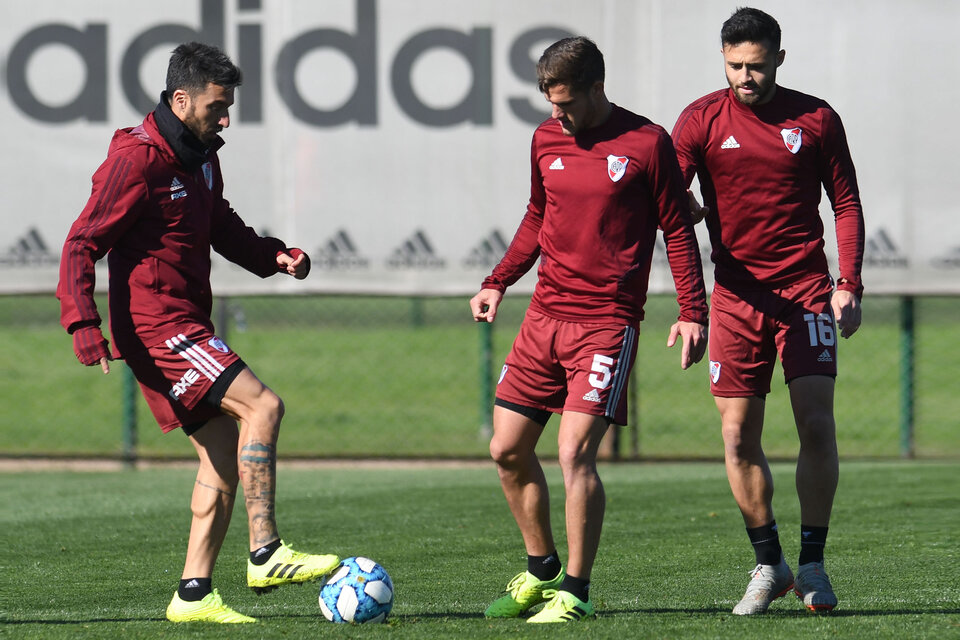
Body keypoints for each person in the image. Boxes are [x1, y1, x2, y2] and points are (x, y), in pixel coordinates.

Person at [57, 42, 340, 624]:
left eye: (229, 105)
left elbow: (221, 225)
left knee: (221, 457)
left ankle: (193, 594)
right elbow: (82, 241)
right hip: (156, 327)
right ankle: (265, 552)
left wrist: (272, 256)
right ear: (180, 99)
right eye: (217, 106)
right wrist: (83, 322)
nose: (226, 117)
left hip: (185, 322)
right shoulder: (135, 160)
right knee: (263, 406)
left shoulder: (203, 155)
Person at [470, 36, 709, 623]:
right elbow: (536, 215)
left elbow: (677, 231)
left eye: (567, 102)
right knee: (505, 450)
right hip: (543, 317)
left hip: (605, 324)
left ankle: (575, 590)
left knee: (574, 453)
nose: (558, 114)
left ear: (598, 87)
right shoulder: (546, 138)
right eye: (551, 102)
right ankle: (541, 569)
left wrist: (692, 311)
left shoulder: (646, 142)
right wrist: (498, 280)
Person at [671, 7, 865, 615]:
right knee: (736, 436)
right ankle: (768, 562)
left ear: (780, 57)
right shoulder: (700, 119)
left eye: (756, 66)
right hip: (734, 298)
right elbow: (668, 192)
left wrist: (848, 282)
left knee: (814, 421)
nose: (745, 77)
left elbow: (847, 204)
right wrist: (679, 207)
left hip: (806, 291)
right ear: (722, 60)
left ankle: (812, 563)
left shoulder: (816, 118)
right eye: (734, 66)